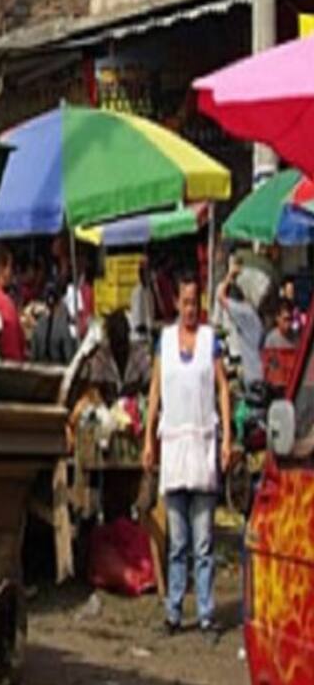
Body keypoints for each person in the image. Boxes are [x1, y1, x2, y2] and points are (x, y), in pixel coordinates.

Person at [143, 271, 233, 643]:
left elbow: (223, 389)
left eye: (195, 302)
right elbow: (154, 393)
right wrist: (149, 439)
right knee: (177, 541)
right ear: (176, 303)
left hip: (203, 446)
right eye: (185, 302)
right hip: (175, 447)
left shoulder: (211, 341)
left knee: (203, 541)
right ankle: (175, 610)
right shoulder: (164, 342)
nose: (190, 309)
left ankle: (208, 611)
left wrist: (227, 438)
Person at [217, 256, 265, 388]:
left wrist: (230, 274)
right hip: (257, 372)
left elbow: (221, 297)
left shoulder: (243, 311)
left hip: (252, 375)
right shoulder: (251, 312)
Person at [30, 281, 77, 365]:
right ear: (59, 302)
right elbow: (69, 358)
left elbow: (33, 356)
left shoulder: (38, 325)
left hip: (39, 372)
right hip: (58, 373)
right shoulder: (63, 327)